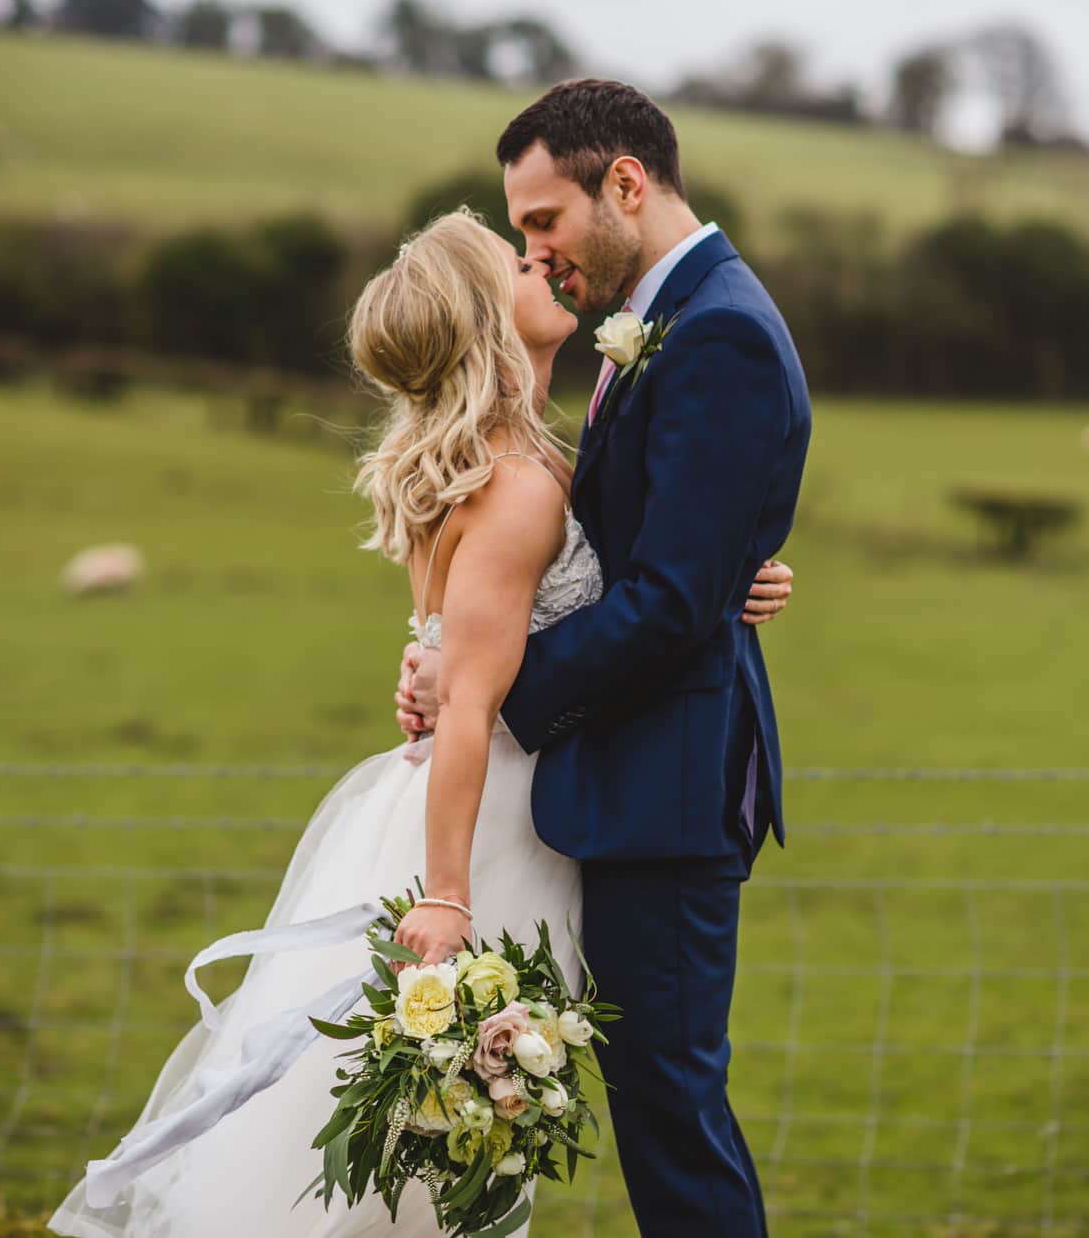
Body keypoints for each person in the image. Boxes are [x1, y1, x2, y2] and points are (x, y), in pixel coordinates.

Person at [47, 200, 796, 1236]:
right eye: (518, 261)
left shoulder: (502, 463)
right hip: (491, 830)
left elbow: (490, 638)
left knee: (454, 1134)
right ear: (493, 319)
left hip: (504, 800)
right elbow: (470, 701)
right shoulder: (519, 485)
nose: (543, 263)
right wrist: (447, 897)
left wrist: (722, 577)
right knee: (442, 1147)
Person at [397, 78, 811, 1236]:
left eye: (543, 222)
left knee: (671, 1121)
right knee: (645, 1111)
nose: (538, 250)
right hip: (624, 780)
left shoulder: (716, 329)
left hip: (664, 794)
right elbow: (665, 553)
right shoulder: (662, 319)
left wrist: (490, 690)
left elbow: (673, 602)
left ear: (623, 183)